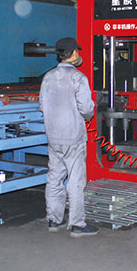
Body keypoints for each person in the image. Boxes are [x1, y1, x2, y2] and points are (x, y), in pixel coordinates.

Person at [39, 37, 98, 237]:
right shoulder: (78, 78)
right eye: (77, 51)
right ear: (73, 53)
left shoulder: (48, 77)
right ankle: (77, 224)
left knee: (54, 178)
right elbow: (87, 108)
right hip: (73, 137)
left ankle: (54, 219)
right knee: (75, 181)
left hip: (53, 137)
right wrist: (86, 116)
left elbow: (42, 106)